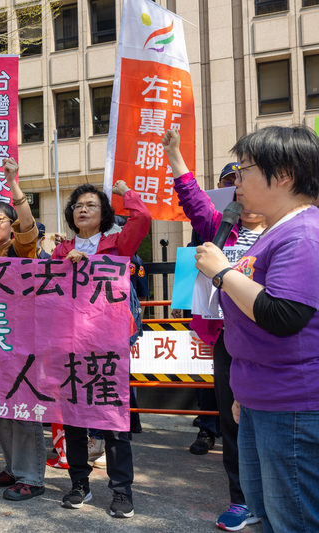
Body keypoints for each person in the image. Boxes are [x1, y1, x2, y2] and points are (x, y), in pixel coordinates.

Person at [193, 125, 319, 533]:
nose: (237, 181)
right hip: (260, 398)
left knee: (293, 520)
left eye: (244, 170)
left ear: (282, 175)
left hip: (292, 403)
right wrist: (245, 393)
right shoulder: (276, 231)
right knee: (267, 514)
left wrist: (222, 272)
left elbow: (283, 315)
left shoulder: (303, 234)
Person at [163, 128, 266, 531]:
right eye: (235, 186)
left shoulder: (288, 232)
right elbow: (192, 198)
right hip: (230, 338)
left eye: (244, 182)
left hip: (279, 336)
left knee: (278, 419)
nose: (239, 192)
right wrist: (175, 154)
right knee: (233, 419)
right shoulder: (223, 229)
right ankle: (242, 499)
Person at [53, 180, 151, 519]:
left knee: (113, 421)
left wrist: (127, 193)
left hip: (109, 346)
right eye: (78, 204)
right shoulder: (60, 250)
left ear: (105, 213)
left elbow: (143, 219)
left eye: (91, 205)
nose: (83, 209)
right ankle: (80, 483)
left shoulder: (117, 244)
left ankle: (122, 490)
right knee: (74, 421)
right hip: (70, 345)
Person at [0, 157, 48, 500]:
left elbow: (29, 226)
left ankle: (32, 477)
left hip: (23, 343)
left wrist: (13, 183)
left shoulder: (21, 250)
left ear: (11, 225)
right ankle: (13, 468)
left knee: (23, 411)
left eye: (0, 219)